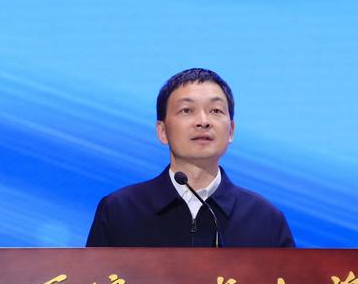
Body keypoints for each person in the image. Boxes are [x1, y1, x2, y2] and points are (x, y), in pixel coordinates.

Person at [86, 68, 295, 247]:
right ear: (162, 131)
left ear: (231, 130)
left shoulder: (265, 219)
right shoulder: (120, 211)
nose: (203, 121)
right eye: (187, 110)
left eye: (215, 110)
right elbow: (93, 281)